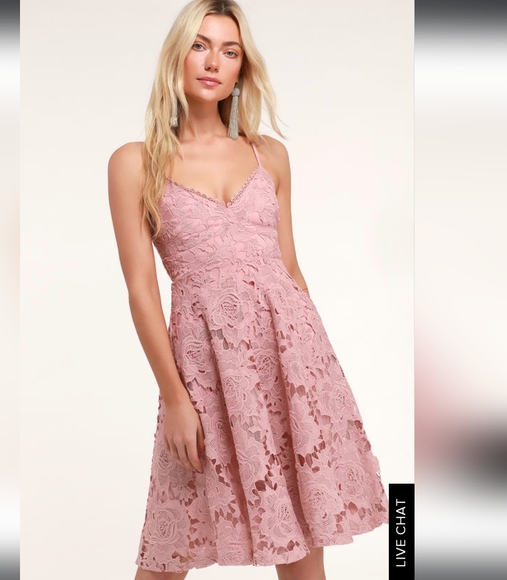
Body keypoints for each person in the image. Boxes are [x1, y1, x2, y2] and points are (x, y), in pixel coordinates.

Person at [108, 1, 389, 578]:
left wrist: (319, 380)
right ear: (176, 56)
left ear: (242, 68)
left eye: (229, 51)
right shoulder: (136, 162)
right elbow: (141, 290)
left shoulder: (270, 155)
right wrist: (175, 398)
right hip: (205, 372)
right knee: (167, 552)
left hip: (293, 364)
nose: (213, 61)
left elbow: (290, 270)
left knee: (303, 547)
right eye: (200, 45)